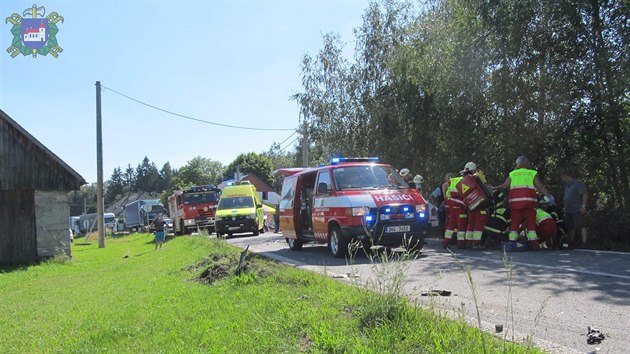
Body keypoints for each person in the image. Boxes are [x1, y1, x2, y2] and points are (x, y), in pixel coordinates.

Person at [493, 156, 554, 250]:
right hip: (529, 203)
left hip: (515, 203)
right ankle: (533, 243)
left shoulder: (513, 174)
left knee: (515, 223)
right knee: (530, 222)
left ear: (518, 164)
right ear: (527, 164)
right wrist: (549, 196)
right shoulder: (531, 173)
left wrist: (493, 188)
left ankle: (512, 242)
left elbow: (504, 186)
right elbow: (540, 187)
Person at [457, 162, 492, 249]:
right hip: (481, 203)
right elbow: (485, 186)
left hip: (470, 205)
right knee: (479, 224)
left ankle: (469, 242)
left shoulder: (463, 180)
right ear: (474, 169)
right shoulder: (477, 176)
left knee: (470, 224)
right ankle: (476, 243)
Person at [560, 169, 588, 247]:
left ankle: (584, 242)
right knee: (570, 227)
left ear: (566, 176)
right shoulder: (567, 185)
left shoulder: (577, 183)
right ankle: (571, 242)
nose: (561, 178)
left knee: (581, 225)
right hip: (569, 210)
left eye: (562, 177)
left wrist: (583, 206)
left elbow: (584, 194)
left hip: (577, 208)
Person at [442, 173, 467, 248]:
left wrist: (445, 198)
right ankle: (460, 243)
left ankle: (446, 242)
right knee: (461, 225)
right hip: (459, 204)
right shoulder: (465, 181)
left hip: (451, 204)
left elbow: (444, 185)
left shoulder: (453, 181)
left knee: (450, 224)